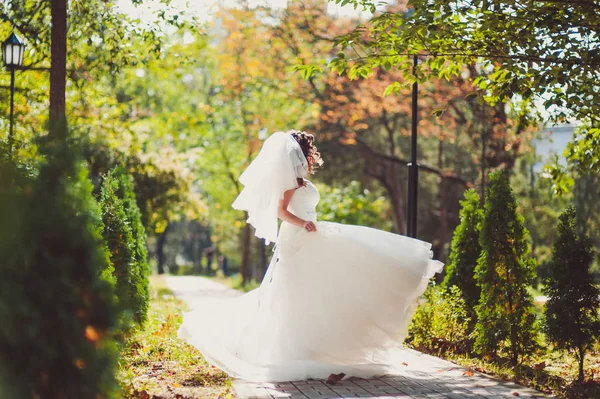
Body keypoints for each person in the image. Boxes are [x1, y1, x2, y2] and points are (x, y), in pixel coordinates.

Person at [178, 130, 443, 382]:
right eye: (307, 153)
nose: (310, 157)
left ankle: (315, 347)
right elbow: (280, 211)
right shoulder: (290, 182)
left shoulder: (300, 181)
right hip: (298, 237)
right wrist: (302, 223)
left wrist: (308, 224)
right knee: (296, 292)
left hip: (310, 234)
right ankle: (295, 350)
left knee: (316, 290)